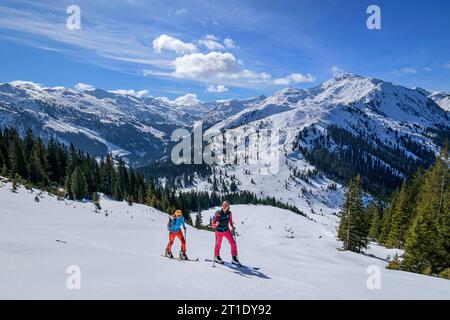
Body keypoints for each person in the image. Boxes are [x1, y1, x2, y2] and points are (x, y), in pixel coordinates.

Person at [212, 201, 241, 266]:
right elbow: (213, 224)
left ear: (228, 206)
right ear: (222, 206)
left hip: (226, 230)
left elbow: (230, 221)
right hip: (219, 231)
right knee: (218, 245)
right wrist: (215, 224)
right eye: (223, 205)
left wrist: (232, 226)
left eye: (226, 205)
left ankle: (234, 258)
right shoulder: (218, 213)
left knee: (233, 243)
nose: (224, 206)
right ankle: (216, 257)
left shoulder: (229, 213)